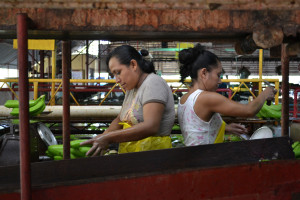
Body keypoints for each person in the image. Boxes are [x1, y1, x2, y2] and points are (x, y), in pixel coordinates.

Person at [81, 45, 175, 155]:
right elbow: (120, 119)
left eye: (118, 72)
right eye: (114, 75)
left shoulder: (153, 83)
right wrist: (101, 138)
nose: (116, 80)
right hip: (136, 155)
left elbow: (151, 126)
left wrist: (109, 138)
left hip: (154, 155)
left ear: (133, 65)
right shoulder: (132, 88)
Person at [177, 44, 277, 146]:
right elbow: (249, 110)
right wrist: (264, 94)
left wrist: (225, 127)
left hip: (194, 157)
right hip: (206, 158)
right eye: (218, 75)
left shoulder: (185, 98)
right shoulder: (205, 97)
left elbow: (198, 128)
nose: (220, 81)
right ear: (204, 73)